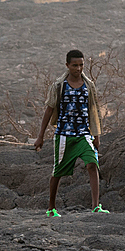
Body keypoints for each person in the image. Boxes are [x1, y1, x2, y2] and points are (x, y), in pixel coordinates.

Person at [33, 49, 107, 216]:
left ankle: (96, 206)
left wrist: (96, 136)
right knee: (58, 171)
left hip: (83, 135)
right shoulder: (59, 86)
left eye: (81, 65)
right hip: (64, 136)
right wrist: (40, 137)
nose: (78, 69)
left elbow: (94, 111)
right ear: (67, 65)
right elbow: (49, 110)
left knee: (92, 163)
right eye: (75, 65)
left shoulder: (89, 86)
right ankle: (51, 208)